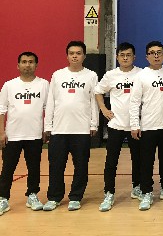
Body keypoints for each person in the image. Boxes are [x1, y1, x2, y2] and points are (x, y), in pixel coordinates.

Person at [43, 41, 99, 211]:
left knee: (81, 166)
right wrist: (48, 126)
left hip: (81, 129)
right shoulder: (57, 75)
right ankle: (54, 197)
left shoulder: (91, 75)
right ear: (67, 56)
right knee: (56, 166)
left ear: (84, 56)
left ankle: (76, 197)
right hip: (59, 129)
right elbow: (51, 101)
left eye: (78, 53)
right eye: (72, 53)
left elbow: (94, 101)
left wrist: (94, 124)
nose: (75, 56)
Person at [94, 42, 142, 212]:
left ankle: (137, 188)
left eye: (128, 55)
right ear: (117, 57)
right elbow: (98, 91)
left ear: (134, 57)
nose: (125, 58)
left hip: (136, 125)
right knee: (111, 161)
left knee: (138, 160)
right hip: (116, 125)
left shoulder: (141, 74)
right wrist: (103, 109)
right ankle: (109, 193)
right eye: (122, 55)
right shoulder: (111, 75)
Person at [0, 52, 49, 215]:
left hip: (34, 135)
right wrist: (1, 132)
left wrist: (46, 129)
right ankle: (3, 199)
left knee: (34, 168)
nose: (27, 65)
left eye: (31, 62)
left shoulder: (44, 84)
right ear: (18, 65)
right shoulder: (9, 85)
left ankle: (32, 195)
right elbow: (1, 110)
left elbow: (48, 109)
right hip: (12, 135)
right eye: (24, 62)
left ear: (36, 65)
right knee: (7, 169)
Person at [129, 41, 163, 211]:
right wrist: (135, 124)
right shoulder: (141, 75)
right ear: (147, 56)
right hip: (147, 126)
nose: (156, 56)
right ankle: (146, 191)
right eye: (152, 53)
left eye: (159, 52)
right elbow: (134, 102)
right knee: (146, 162)